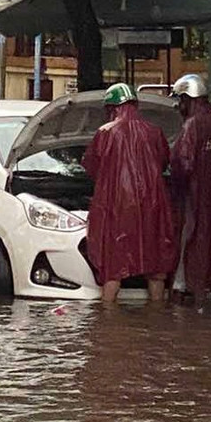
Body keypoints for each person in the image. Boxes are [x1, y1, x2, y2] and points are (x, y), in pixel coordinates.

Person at [81, 83, 178, 306]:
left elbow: (92, 168)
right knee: (156, 268)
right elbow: (164, 162)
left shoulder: (104, 133)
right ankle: (157, 319)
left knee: (113, 268)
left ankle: (107, 322)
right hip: (153, 208)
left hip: (117, 210)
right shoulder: (155, 133)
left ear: (112, 108)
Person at [169, 72, 211, 305]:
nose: (178, 106)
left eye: (180, 100)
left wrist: (173, 185)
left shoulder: (192, 125)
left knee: (194, 244)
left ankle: (193, 297)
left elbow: (182, 164)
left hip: (197, 198)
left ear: (188, 99)